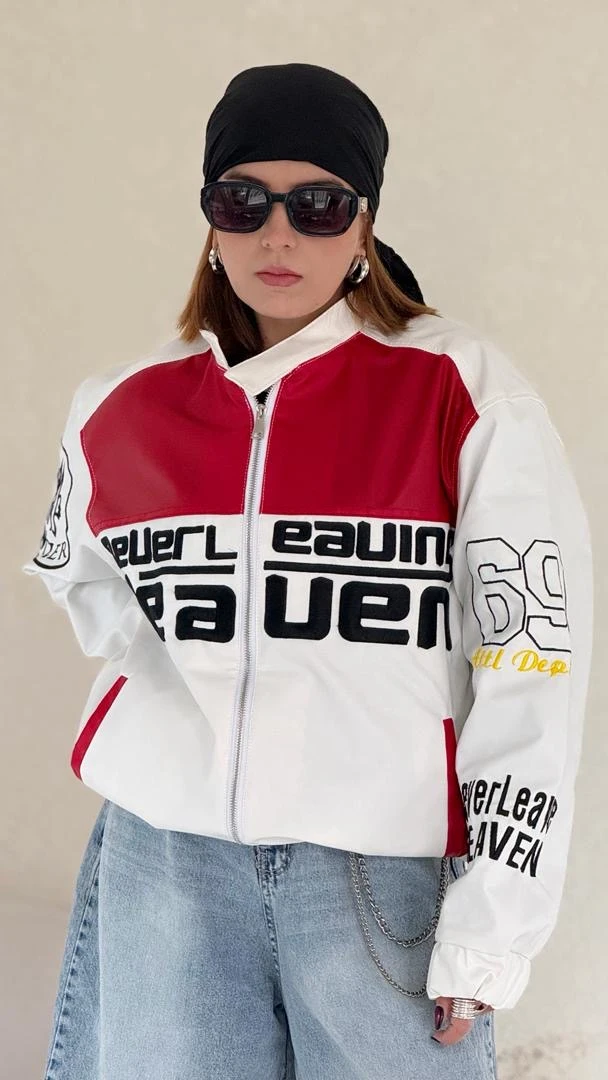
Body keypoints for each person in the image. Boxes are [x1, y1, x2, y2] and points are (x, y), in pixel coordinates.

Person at [22, 63, 593, 1080]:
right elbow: (89, 589)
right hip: (167, 862)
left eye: (317, 204)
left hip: (380, 875)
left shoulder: (461, 392)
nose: (277, 236)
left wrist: (495, 921)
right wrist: (181, 698)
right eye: (243, 201)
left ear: (364, 221)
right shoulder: (121, 406)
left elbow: (531, 659)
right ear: (211, 219)